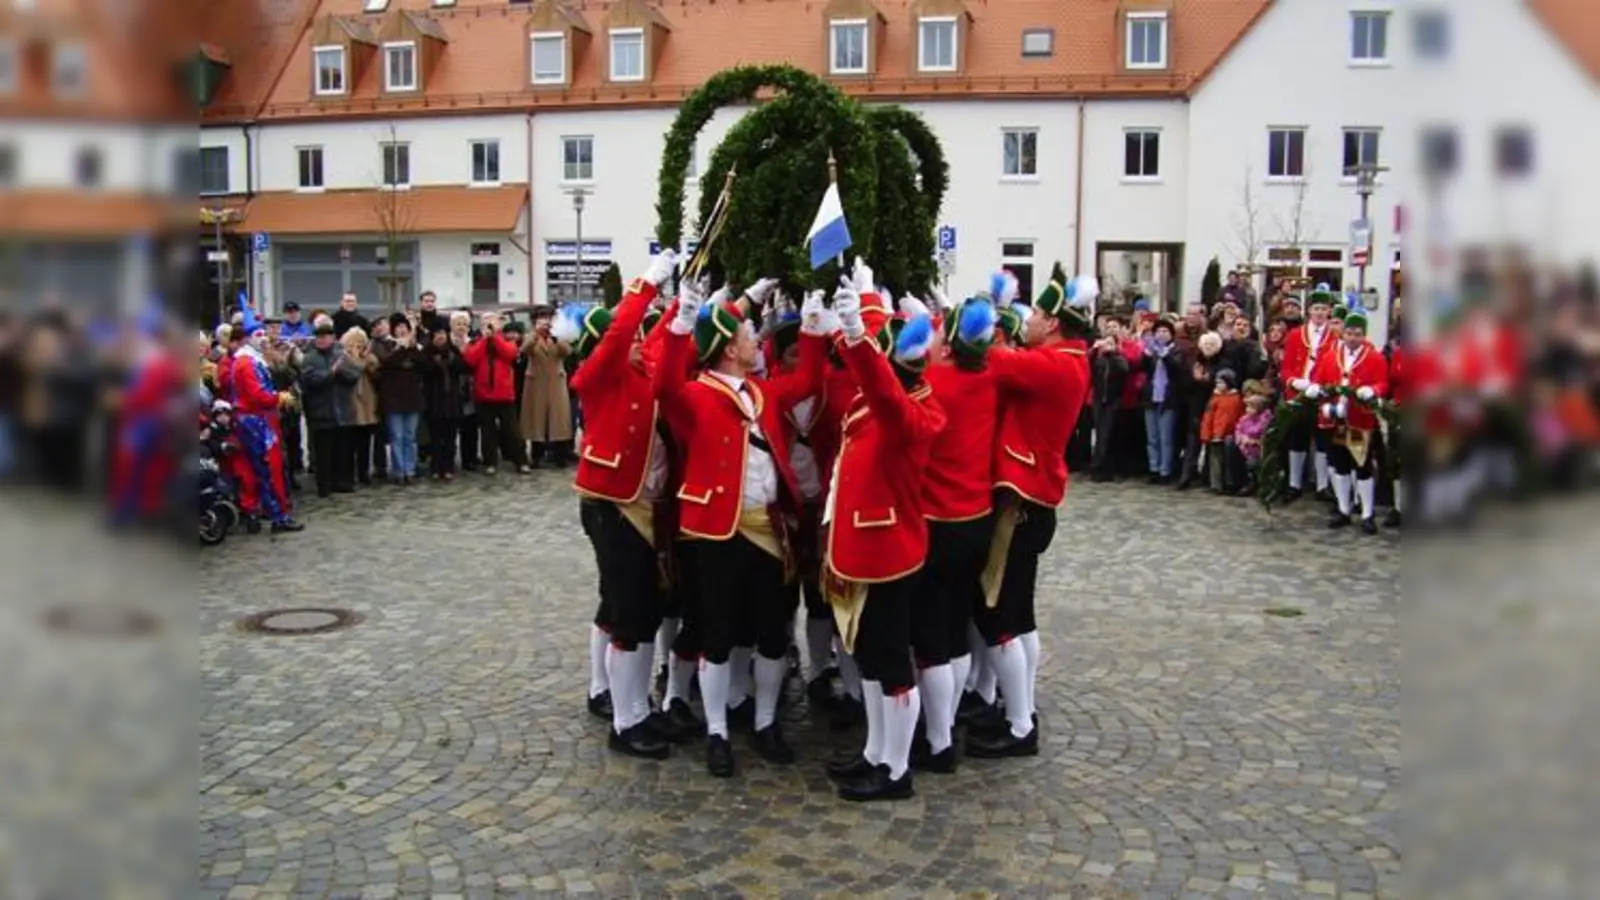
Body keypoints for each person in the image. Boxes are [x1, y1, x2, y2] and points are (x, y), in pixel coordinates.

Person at [654, 271, 817, 779]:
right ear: (728, 349)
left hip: (768, 529)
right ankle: (718, 731)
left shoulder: (762, 391)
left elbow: (808, 382)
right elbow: (664, 383)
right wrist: (682, 322)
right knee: (717, 634)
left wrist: (816, 324)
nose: (756, 341)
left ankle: (765, 722)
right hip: (715, 532)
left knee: (772, 632)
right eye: (748, 335)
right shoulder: (695, 394)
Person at [819, 275, 945, 802]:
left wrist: (855, 334)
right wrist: (865, 300)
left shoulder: (911, 412)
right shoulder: (888, 394)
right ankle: (875, 751)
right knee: (870, 659)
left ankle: (896, 769)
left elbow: (879, 381)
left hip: (888, 551)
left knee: (892, 666)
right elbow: (877, 357)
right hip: (864, 545)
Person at [968, 268, 1093, 759]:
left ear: (1055, 322)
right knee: (1019, 615)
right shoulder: (1067, 358)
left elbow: (995, 359)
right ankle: (1018, 706)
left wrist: (970, 322)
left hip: (1021, 503)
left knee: (997, 611)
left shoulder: (1055, 363)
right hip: (1031, 498)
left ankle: (1020, 724)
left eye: (1038, 313)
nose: (1032, 320)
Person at [908, 292, 999, 776]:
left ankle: (938, 741)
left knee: (931, 641)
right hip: (977, 519)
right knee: (957, 630)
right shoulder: (988, 377)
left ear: (946, 348)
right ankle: (949, 719)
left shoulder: (934, 382)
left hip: (937, 522)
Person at [1307, 306, 1390, 533]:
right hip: (1335, 421)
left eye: (1357, 334)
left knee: (1362, 466)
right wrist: (1317, 391)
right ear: (1343, 333)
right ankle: (1343, 509)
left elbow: (1383, 383)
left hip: (1359, 421)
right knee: (1339, 465)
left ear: (1364, 335)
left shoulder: (1374, 358)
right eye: (1349, 333)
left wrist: (1373, 390)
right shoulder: (1330, 356)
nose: (1352, 338)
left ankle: (1367, 513)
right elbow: (1321, 380)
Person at [228, 325, 303, 532]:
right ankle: (278, 516)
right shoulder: (246, 363)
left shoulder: (250, 360)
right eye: (258, 335)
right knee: (268, 469)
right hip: (256, 421)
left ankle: (268, 513)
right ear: (247, 338)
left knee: (262, 469)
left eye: (264, 334)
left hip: (257, 419)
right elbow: (257, 395)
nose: (263, 339)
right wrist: (279, 397)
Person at [1282, 286, 1339, 502]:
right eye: (1316, 308)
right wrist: (1295, 382)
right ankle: (1294, 483)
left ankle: (1322, 486)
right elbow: (1286, 367)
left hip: (1323, 394)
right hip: (1298, 393)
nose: (1319, 313)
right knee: (1298, 437)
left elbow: (1337, 366)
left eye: (1323, 309)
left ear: (1328, 312)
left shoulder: (1335, 337)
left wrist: (1323, 387)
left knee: (1323, 439)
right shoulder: (1295, 335)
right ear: (1309, 311)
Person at [463, 312, 530, 475]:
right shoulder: (475, 342)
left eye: (492, 321)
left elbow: (510, 354)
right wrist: (485, 340)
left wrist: (495, 338)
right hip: (483, 394)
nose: (489, 324)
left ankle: (520, 460)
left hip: (504, 394)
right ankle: (490, 462)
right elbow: (471, 359)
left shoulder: (506, 340)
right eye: (485, 321)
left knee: (512, 431)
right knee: (488, 432)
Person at [298, 319, 354, 497]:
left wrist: (341, 371)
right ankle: (324, 485)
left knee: (341, 450)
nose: (321, 340)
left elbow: (354, 375)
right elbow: (310, 380)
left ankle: (341, 482)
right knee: (323, 452)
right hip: (320, 411)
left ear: (332, 338)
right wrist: (331, 373)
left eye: (325, 337)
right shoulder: (309, 358)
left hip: (341, 410)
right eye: (319, 337)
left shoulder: (340, 354)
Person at [521, 306, 575, 468]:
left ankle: (560, 456)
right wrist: (536, 335)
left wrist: (556, 337)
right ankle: (536, 456)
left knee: (559, 420)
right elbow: (524, 350)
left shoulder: (560, 334)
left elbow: (568, 352)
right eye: (541, 318)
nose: (545, 321)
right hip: (536, 382)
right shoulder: (530, 335)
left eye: (548, 318)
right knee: (536, 420)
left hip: (556, 382)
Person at [376, 314, 427, 485]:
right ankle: (399, 470)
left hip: (412, 398)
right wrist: (401, 349)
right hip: (393, 400)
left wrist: (412, 348)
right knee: (397, 437)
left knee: (410, 436)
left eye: (405, 327)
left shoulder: (415, 348)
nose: (402, 330)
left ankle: (410, 469)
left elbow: (424, 366)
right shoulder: (387, 346)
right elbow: (387, 365)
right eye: (398, 327)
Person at [1140, 319, 1185, 483]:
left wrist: (1164, 354)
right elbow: (1142, 368)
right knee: (1152, 437)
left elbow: (1176, 368)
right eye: (1159, 331)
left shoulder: (1177, 350)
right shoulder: (1151, 351)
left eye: (1165, 331)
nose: (1161, 334)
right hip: (1151, 397)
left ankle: (1165, 471)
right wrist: (1147, 354)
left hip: (1168, 399)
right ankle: (1154, 468)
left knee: (1166, 437)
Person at [422, 326, 468, 481]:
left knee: (450, 436)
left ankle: (448, 466)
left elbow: (462, 367)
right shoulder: (427, 352)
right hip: (433, 399)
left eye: (442, 333)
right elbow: (426, 370)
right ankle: (436, 466)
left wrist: (451, 358)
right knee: (435, 436)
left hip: (452, 400)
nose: (440, 336)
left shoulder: (453, 351)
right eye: (436, 333)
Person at [1088, 315, 1131, 482]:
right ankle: (1097, 467)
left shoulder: (1119, 357)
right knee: (1100, 434)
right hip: (1099, 399)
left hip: (1114, 400)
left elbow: (1124, 369)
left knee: (1108, 434)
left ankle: (1105, 468)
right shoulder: (1098, 358)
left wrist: (1113, 353)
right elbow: (1088, 368)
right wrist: (1094, 351)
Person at [338, 327, 381, 486]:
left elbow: (377, 375)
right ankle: (349, 473)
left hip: (367, 403)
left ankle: (364, 471)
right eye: (353, 344)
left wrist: (368, 360)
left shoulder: (369, 358)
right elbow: (350, 375)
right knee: (349, 443)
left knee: (365, 442)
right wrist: (357, 360)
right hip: (350, 403)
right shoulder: (343, 359)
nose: (357, 347)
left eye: (360, 344)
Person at [1200, 368, 1244, 493]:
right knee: (1215, 460)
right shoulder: (1214, 398)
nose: (1218, 385)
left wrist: (1224, 433)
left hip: (1227, 434)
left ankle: (1228, 483)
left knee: (1227, 460)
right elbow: (1208, 418)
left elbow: (1232, 419)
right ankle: (1216, 485)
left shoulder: (1235, 399)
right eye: (1217, 383)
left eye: (1221, 382)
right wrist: (1206, 434)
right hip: (1214, 434)